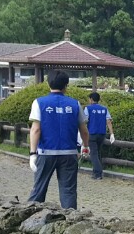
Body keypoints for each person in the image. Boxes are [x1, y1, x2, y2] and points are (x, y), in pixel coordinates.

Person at [28, 70, 90, 209]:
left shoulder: (39, 103)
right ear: (66, 85)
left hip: (45, 153)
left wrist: (32, 154)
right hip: (69, 153)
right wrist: (85, 147)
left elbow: (36, 129)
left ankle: (29, 218)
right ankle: (71, 222)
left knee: (39, 189)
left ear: (48, 83)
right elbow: (84, 131)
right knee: (68, 191)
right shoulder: (75, 104)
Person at [84, 92, 115, 180]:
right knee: (98, 153)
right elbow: (108, 121)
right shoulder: (104, 109)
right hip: (102, 133)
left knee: (93, 154)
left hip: (92, 133)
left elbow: (85, 121)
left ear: (91, 99)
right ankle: (95, 171)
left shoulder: (88, 108)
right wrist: (112, 133)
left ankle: (98, 173)